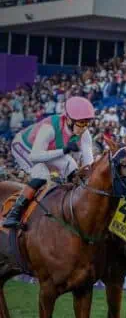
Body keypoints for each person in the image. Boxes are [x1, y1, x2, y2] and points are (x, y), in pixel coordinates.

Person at [4, 96, 95, 228]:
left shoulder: (85, 133)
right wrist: (64, 151)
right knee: (42, 175)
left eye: (87, 123)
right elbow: (35, 156)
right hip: (25, 148)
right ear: (69, 119)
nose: (84, 127)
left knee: (72, 166)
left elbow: (89, 165)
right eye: (81, 123)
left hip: (48, 149)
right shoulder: (49, 128)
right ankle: (14, 213)